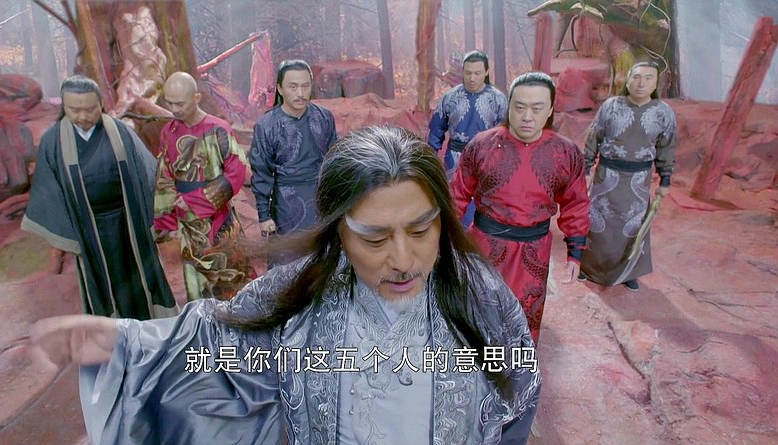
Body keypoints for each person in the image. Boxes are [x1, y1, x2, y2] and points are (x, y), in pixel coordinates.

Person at [28, 126, 541, 445]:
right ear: (338, 230)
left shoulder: (481, 295)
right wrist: (125, 345)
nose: (404, 260)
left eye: (421, 230)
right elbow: (212, 346)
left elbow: (519, 391)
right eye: (375, 238)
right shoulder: (298, 295)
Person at [450, 72, 590, 345]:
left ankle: (520, 364)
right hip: (485, 244)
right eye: (520, 107)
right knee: (480, 310)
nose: (527, 117)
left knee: (526, 314)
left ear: (550, 109)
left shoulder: (565, 153)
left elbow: (576, 203)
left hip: (534, 250)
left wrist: (575, 252)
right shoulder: (481, 145)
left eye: (537, 109)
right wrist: (445, 241)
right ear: (509, 106)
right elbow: (457, 196)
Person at [21, 75, 177, 320]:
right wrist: (68, 234)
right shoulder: (54, 141)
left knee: (141, 275)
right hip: (89, 227)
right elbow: (48, 190)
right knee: (103, 282)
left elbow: (148, 172)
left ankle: (150, 324)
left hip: (129, 220)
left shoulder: (119, 131)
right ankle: (111, 331)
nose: (83, 116)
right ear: (64, 106)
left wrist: (158, 215)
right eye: (75, 110)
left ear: (100, 104)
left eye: (90, 109)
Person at [153, 71, 251, 301]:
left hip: (220, 218)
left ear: (196, 98)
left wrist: (194, 200)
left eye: (180, 103)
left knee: (231, 276)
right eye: (169, 103)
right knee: (197, 281)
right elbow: (164, 176)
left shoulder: (218, 129)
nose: (174, 109)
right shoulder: (168, 132)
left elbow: (236, 171)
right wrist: (166, 220)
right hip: (187, 223)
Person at [579, 61, 677, 291]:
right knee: (598, 223)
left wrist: (665, 179)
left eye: (648, 78)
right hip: (606, 176)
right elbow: (593, 137)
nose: (641, 83)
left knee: (632, 225)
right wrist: (585, 168)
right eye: (636, 77)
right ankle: (589, 267)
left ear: (656, 83)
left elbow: (666, 148)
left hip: (638, 181)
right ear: (628, 80)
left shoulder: (664, 113)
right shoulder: (611, 106)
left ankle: (627, 272)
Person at [248, 59, 338, 262]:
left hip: (320, 198)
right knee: (288, 261)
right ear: (280, 88)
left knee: (322, 259)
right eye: (293, 86)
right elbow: (261, 173)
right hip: (286, 203)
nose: (300, 93)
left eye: (305, 86)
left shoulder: (324, 117)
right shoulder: (267, 126)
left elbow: (335, 160)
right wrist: (264, 216)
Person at [428, 50, 508, 226]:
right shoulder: (450, 97)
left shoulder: (499, 99)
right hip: (455, 157)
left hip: (487, 158)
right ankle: (459, 236)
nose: (472, 78)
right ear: (462, 72)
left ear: (486, 72)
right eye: (468, 73)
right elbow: (436, 128)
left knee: (487, 200)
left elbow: (506, 134)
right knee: (456, 200)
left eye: (477, 73)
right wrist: (431, 155)